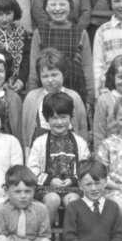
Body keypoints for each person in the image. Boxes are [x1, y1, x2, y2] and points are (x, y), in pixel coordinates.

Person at [28, 92, 91, 224]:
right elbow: (31, 170)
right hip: (46, 189)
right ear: (47, 119)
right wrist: (50, 180)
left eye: (63, 117)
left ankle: (70, 239)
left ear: (70, 117)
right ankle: (46, 235)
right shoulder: (39, 142)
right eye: (54, 118)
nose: (59, 122)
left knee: (73, 200)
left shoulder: (80, 142)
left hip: (73, 187)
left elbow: (85, 168)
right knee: (53, 199)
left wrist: (73, 179)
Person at [27, 0, 93, 102]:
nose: (57, 9)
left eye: (62, 4)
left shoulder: (81, 33)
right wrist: (32, 97)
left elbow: (87, 68)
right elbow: (33, 70)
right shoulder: (39, 33)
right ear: (46, 7)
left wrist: (90, 98)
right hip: (46, 94)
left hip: (75, 92)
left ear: (71, 5)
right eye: (52, 4)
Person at [21, 48, 89, 145]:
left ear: (63, 74)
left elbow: (82, 127)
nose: (50, 80)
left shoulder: (74, 97)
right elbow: (25, 129)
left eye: (54, 75)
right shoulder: (31, 98)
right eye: (45, 76)